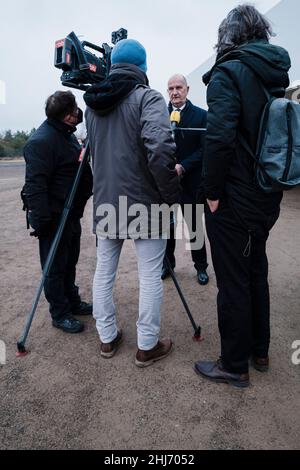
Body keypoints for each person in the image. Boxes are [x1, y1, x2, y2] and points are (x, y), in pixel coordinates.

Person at [194, 4, 291, 387]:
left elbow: (219, 138)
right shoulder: (274, 73)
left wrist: (212, 192)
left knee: (233, 279)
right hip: (266, 190)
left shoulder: (227, 72)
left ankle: (233, 365)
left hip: (234, 194)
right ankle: (259, 350)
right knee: (256, 271)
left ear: (227, 36)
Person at [84, 39, 180, 367]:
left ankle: (107, 338)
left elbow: (96, 155)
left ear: (112, 65)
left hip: (107, 202)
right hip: (145, 203)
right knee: (150, 274)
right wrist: (171, 195)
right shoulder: (148, 97)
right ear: (144, 67)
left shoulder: (91, 106)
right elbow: (161, 150)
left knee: (104, 271)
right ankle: (146, 345)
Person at [24, 91, 93, 334]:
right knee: (54, 266)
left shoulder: (65, 134)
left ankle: (72, 301)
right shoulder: (41, 141)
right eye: (74, 109)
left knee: (70, 261)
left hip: (70, 214)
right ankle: (60, 313)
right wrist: (43, 222)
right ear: (66, 116)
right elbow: (35, 186)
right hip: (54, 218)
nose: (78, 112)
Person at [161, 74, 209, 286]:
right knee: (167, 228)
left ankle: (201, 267)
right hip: (166, 186)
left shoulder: (201, 116)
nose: (174, 92)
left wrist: (184, 166)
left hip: (190, 183)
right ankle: (167, 265)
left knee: (194, 228)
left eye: (178, 87)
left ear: (187, 89)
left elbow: (204, 150)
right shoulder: (160, 115)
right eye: (170, 88)